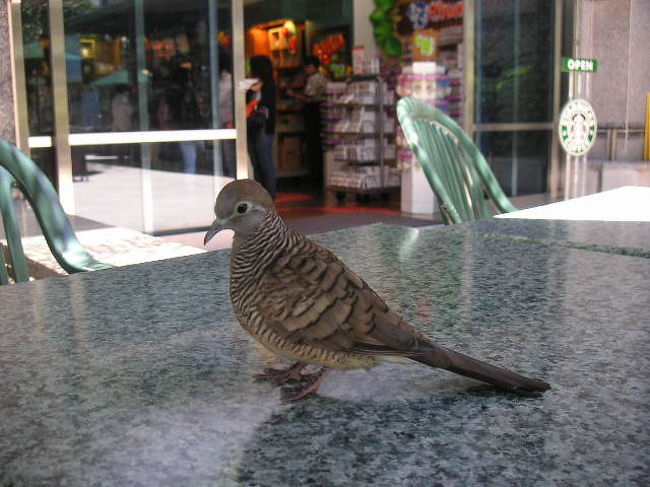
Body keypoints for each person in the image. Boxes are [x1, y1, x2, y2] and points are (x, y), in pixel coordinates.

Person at [286, 56, 328, 186]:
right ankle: (317, 175)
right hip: (319, 113)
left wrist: (293, 94)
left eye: (306, 67)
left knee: (313, 144)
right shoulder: (322, 77)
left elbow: (308, 98)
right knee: (316, 145)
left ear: (311, 66)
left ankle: (315, 177)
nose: (305, 70)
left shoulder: (314, 79)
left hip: (314, 114)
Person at [247, 55, 277, 198]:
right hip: (255, 126)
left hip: (263, 126)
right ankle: (261, 194)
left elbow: (266, 105)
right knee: (257, 163)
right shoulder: (254, 85)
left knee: (265, 162)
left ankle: (269, 195)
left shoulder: (268, 84)